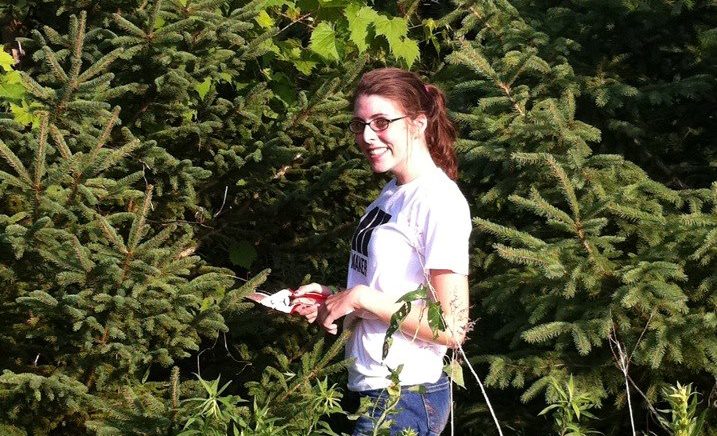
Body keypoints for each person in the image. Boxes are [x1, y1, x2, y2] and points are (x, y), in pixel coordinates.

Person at [293, 67, 472, 436]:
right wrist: (333, 298)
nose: (368, 136)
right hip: (372, 388)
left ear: (418, 123)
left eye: (381, 122)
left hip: (406, 397)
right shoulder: (393, 192)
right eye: (359, 125)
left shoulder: (439, 201)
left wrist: (361, 298)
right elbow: (386, 287)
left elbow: (453, 328)